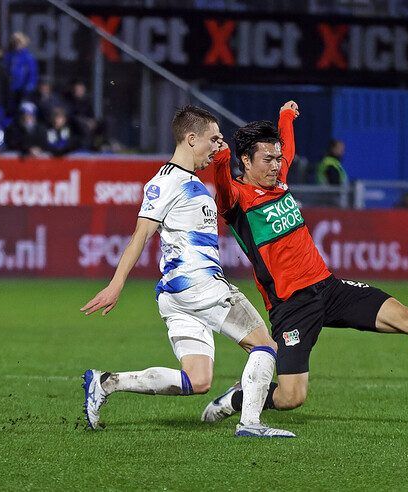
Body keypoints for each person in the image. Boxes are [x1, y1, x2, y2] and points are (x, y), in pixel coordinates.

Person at [203, 100, 408, 423]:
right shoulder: (236, 200)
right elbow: (221, 179)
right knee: (292, 397)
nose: (277, 165)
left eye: (278, 158)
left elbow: (287, 146)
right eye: (268, 160)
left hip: (329, 288)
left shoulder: (280, 180)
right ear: (245, 161)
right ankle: (238, 397)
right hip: (292, 305)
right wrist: (221, 156)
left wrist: (286, 116)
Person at [79, 105, 295, 438]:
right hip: (200, 285)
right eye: (214, 139)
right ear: (191, 139)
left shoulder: (189, 182)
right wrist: (116, 284)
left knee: (196, 380)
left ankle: (107, 382)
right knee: (266, 347)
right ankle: (250, 422)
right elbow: (141, 234)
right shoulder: (167, 182)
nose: (219, 146)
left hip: (177, 295)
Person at [5, 32, 38, 114]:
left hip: (22, 89)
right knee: (9, 109)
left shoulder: (28, 57)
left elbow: (32, 74)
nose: (17, 44)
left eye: (19, 42)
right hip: (10, 88)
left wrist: (29, 87)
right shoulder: (9, 56)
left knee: (20, 110)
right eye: (15, 41)